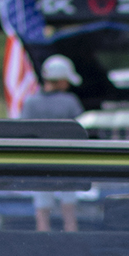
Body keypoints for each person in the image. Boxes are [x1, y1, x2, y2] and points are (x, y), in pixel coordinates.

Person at [23, 55, 84, 231]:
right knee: (69, 210)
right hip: (68, 163)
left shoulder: (31, 103)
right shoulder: (70, 102)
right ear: (61, 80)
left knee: (42, 211)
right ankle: (71, 243)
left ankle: (43, 246)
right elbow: (81, 131)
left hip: (39, 164)